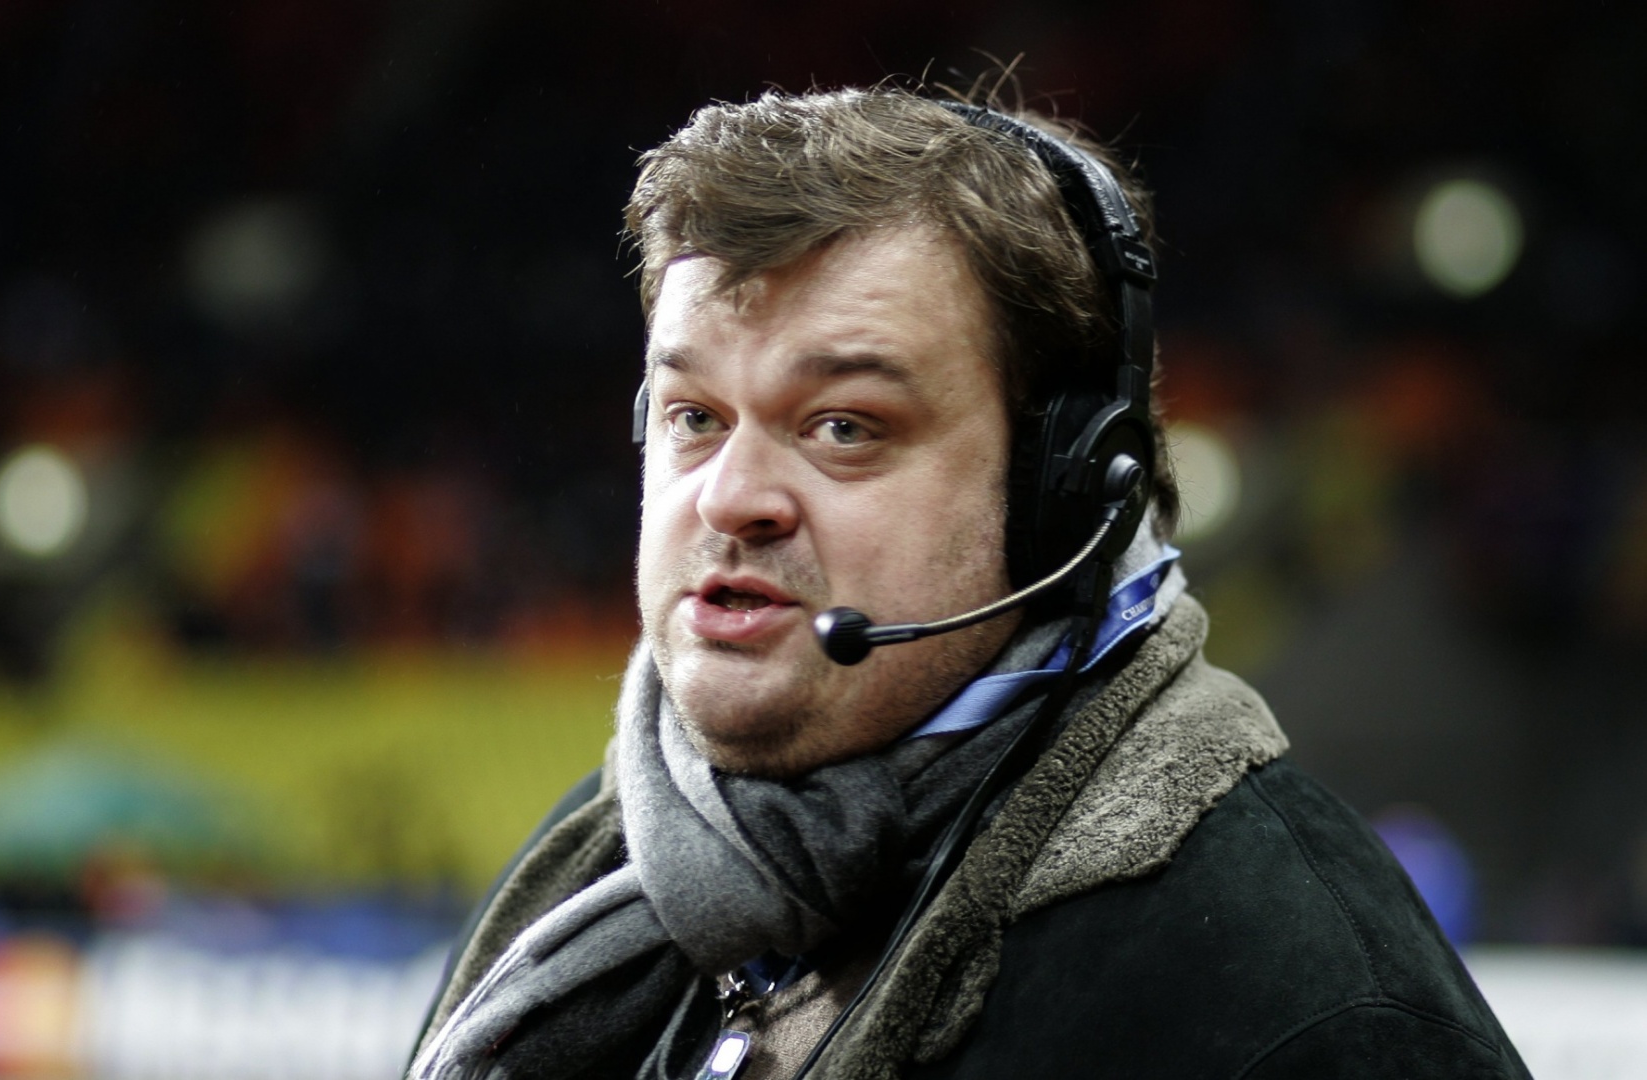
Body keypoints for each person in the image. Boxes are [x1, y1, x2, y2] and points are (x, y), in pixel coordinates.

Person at [407, 88, 1531, 1079]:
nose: (729, 497)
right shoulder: (595, 858)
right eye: (694, 417)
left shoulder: (1294, 995)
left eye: (843, 426)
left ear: (1063, 493)